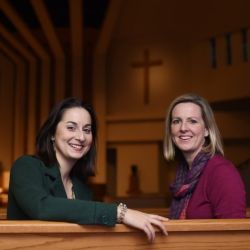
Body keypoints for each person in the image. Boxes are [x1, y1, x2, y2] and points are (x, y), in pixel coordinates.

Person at [7, 97, 168, 242]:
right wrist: (120, 213)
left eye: (87, 130)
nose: (81, 137)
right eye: (71, 128)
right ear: (52, 134)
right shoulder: (26, 166)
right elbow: (41, 207)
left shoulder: (82, 187)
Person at [164, 93, 246, 219]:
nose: (183, 128)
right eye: (176, 121)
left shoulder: (222, 172)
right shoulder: (183, 175)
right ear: (170, 130)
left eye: (192, 121)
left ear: (207, 129)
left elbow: (234, 235)